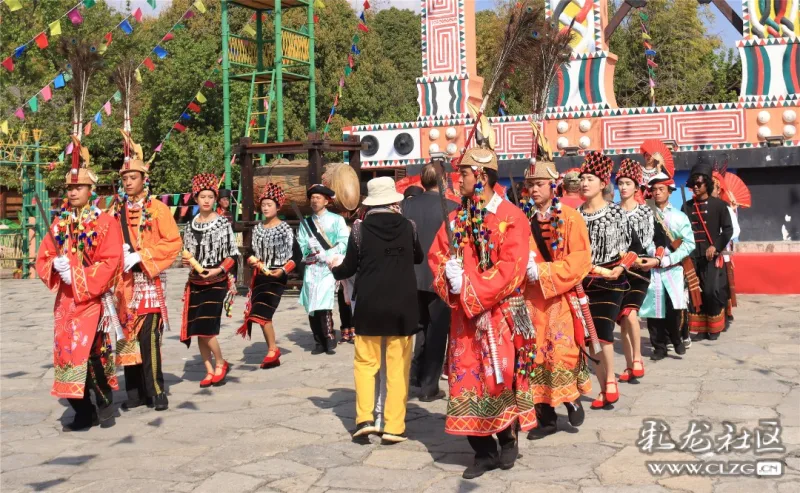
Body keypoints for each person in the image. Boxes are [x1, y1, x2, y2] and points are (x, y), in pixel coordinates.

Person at [429, 147, 536, 479]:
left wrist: (471, 286)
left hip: (504, 311)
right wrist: (449, 277)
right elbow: (438, 256)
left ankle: (508, 437)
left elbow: (512, 268)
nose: (458, 179)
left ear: (482, 178)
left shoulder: (511, 217)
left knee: (500, 377)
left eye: (464, 174)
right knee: (467, 377)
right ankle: (483, 449)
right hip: (465, 317)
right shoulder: (458, 219)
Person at [36, 137, 124, 431]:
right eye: (70, 188)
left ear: (91, 190)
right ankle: (81, 409)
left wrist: (76, 272)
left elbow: (111, 261)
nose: (73, 192)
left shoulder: (105, 223)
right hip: (66, 305)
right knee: (66, 356)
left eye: (79, 187)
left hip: (92, 301)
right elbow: (44, 257)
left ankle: (104, 403)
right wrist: (54, 266)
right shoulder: (60, 224)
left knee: (94, 355)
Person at [330, 176, 423, 443]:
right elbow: (418, 256)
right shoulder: (409, 226)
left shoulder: (359, 229)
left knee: (366, 364)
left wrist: (334, 268)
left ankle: (365, 419)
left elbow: (348, 267)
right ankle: (394, 425)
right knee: (397, 367)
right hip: (402, 307)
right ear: (394, 199)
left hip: (370, 304)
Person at [521, 156, 593, 440]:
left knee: (560, 354)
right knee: (534, 356)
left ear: (553, 186)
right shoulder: (521, 218)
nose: (534, 190)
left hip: (559, 298)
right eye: (531, 185)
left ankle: (570, 397)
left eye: (539, 184)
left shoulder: (570, 218)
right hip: (530, 301)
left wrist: (544, 271)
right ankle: (545, 418)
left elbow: (581, 259)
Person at [113, 132, 181, 412]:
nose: (128, 183)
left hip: (149, 279)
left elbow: (174, 242)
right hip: (124, 282)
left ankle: (155, 390)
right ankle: (134, 392)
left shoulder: (159, 209)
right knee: (126, 335)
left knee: (149, 336)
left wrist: (142, 255)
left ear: (144, 180)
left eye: (133, 178)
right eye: (125, 179)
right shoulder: (115, 210)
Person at [578, 151, 647, 410]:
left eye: (590, 179)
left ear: (603, 183)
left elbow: (633, 248)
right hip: (584, 280)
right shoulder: (575, 215)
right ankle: (606, 383)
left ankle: (609, 381)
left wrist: (620, 267)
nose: (585, 183)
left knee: (603, 331)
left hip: (612, 280)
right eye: (582, 178)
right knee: (588, 338)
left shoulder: (617, 213)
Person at [403, 163, 458, 402]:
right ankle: (429, 386)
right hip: (439, 276)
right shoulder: (453, 208)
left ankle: (415, 375)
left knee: (420, 329)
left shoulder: (406, 206)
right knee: (436, 332)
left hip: (411, 275)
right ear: (443, 180)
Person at [181, 173, 239, 387]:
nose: (206, 200)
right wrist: (187, 262)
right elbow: (186, 253)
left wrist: (216, 271)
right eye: (202, 196)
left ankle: (221, 362)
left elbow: (233, 255)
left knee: (206, 326)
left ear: (215, 199)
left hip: (217, 281)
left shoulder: (223, 223)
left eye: (210, 197)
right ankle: (208, 369)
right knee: (197, 329)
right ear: (196, 199)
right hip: (195, 281)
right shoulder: (190, 225)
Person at [238, 183, 300, 368]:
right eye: (263, 204)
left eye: (269, 204)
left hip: (277, 276)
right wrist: (252, 260)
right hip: (260, 275)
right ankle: (272, 350)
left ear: (278, 207)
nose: (265, 208)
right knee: (261, 315)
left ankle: (272, 350)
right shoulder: (257, 228)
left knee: (263, 312)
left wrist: (283, 270)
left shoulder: (285, 229)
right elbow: (249, 252)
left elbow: (296, 255)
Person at [640, 172, 695, 359]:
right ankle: (658, 347)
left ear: (669, 191)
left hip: (672, 268)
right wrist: (651, 253)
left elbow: (689, 243)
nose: (657, 193)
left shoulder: (680, 217)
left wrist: (669, 258)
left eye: (661, 189)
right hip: (653, 269)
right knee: (653, 310)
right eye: (654, 189)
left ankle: (677, 340)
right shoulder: (646, 214)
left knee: (673, 308)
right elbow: (643, 238)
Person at [614, 158, 657, 383]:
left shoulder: (645, 213)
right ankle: (629, 365)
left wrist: (654, 259)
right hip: (617, 271)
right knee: (622, 318)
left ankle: (638, 358)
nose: (623, 187)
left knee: (630, 312)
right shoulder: (611, 212)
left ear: (636, 187)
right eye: (620, 183)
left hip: (638, 269)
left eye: (627, 183)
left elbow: (650, 242)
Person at [682, 163, 733, 340]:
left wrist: (716, 246)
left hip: (711, 256)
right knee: (695, 292)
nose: (695, 187)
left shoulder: (719, 205)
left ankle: (715, 325)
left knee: (711, 290)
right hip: (692, 256)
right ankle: (700, 328)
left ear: (707, 185)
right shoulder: (686, 207)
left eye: (699, 184)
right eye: (693, 184)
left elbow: (728, 230)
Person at [297, 184, 349, 354]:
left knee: (324, 300)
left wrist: (328, 254)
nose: (314, 201)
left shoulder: (336, 220)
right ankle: (318, 339)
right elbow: (301, 244)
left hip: (328, 266)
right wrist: (307, 247)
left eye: (318, 198)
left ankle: (329, 336)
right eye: (312, 198)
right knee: (311, 302)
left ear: (326, 201)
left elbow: (344, 241)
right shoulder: (306, 223)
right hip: (312, 267)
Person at [712, 171, 740, 331]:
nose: (713, 191)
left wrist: (720, 240)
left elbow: (734, 230)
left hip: (722, 254)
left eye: (716, 188)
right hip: (707, 254)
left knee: (722, 288)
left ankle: (724, 316)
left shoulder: (725, 208)